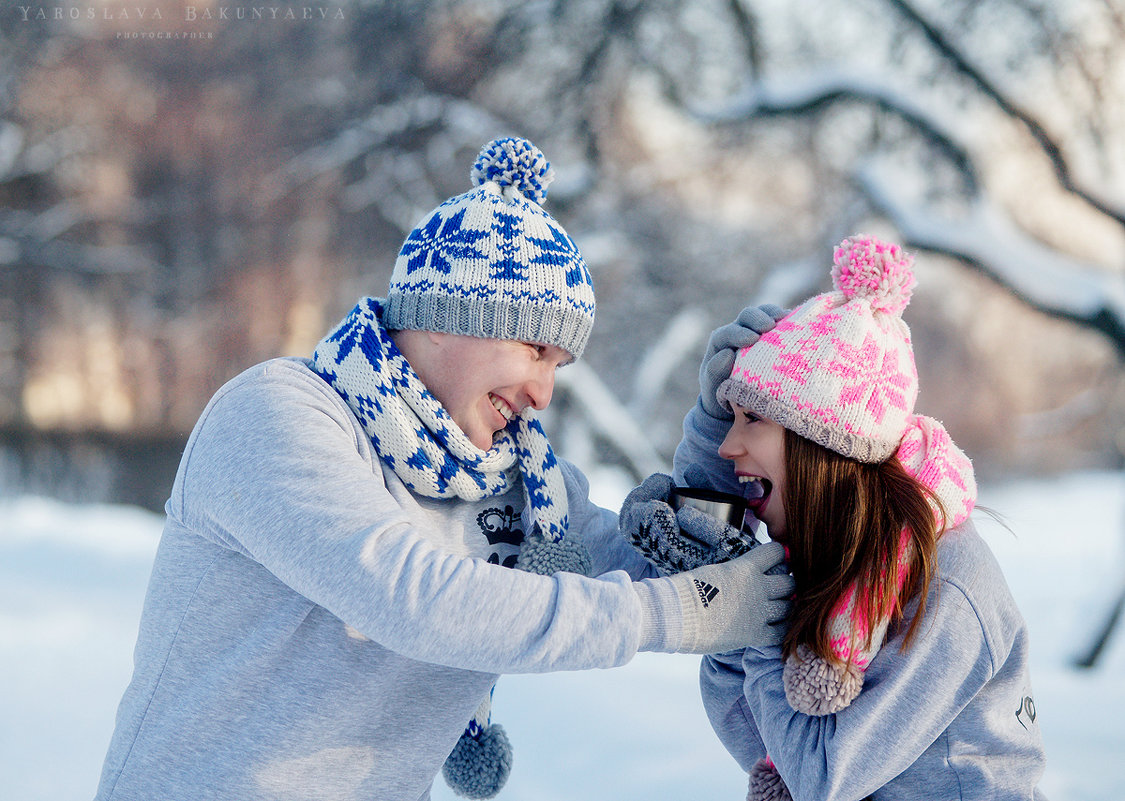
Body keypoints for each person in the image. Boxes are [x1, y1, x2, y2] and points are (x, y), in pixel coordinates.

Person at [93, 137, 795, 801]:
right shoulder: (279, 413)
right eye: (533, 350)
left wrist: (716, 430)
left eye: (559, 365)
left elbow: (670, 573)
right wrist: (674, 613)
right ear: (447, 315)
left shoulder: (525, 484)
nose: (543, 393)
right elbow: (409, 597)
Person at [630, 235, 1048, 800]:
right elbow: (755, 733)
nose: (729, 447)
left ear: (820, 443)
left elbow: (822, 778)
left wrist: (760, 621)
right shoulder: (824, 552)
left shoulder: (943, 583)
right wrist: (728, 574)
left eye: (751, 418)